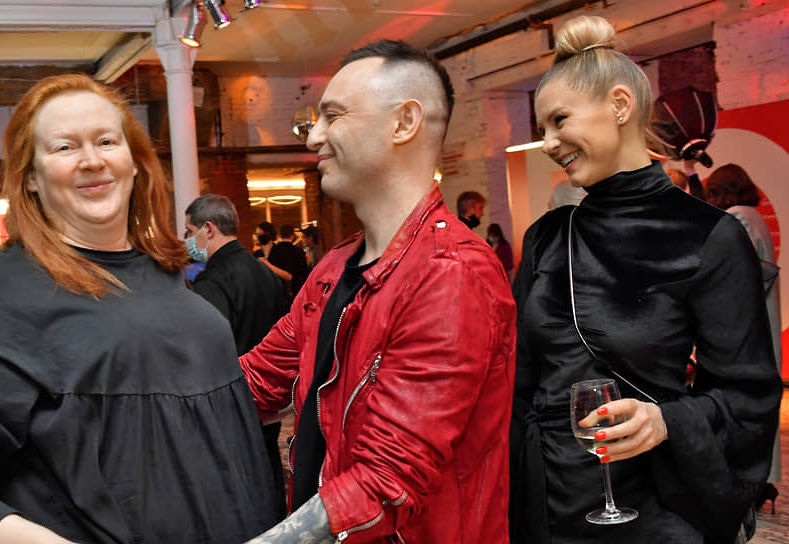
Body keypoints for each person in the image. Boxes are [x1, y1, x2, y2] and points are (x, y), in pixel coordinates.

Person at [0, 74, 278, 543]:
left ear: (134, 162)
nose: (93, 160)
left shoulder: (164, 273)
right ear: (31, 178)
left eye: (106, 141)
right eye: (65, 147)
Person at [511, 15, 781, 543]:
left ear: (620, 106)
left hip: (649, 508)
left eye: (559, 120)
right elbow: (517, 383)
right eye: (541, 130)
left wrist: (666, 421)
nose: (548, 143)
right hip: (545, 503)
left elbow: (748, 395)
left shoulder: (709, 236)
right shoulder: (547, 237)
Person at [240, 40, 516, 543]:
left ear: (404, 122)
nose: (314, 137)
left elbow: (387, 481)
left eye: (333, 116)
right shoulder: (334, 266)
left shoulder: (451, 273)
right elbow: (256, 382)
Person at [183, 193, 290, 520]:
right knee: (268, 478)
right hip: (270, 401)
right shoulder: (266, 274)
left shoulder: (212, 281)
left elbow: (204, 350)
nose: (187, 240)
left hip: (230, 402)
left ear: (209, 229)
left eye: (189, 232)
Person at [704, 164, 782, 509]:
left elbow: (736, 275)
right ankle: (761, 482)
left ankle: (751, 483)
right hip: (762, 323)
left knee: (744, 408)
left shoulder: (738, 218)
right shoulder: (754, 215)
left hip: (748, 330)